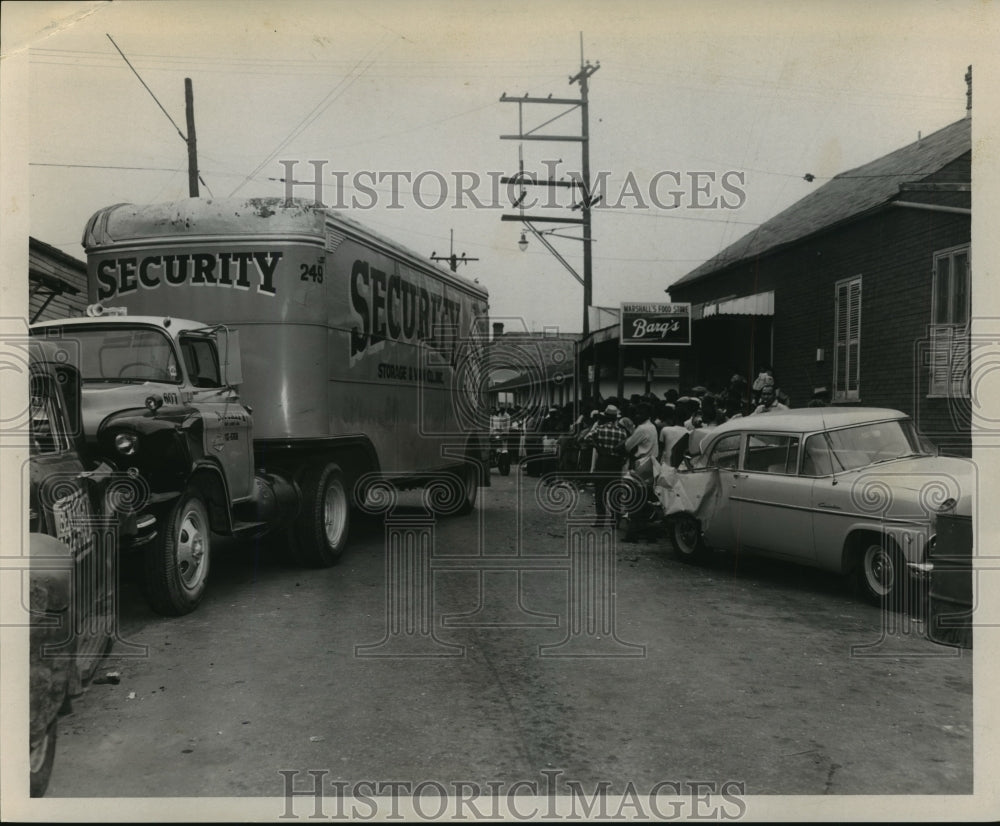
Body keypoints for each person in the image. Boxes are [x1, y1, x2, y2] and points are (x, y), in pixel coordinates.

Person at [582, 404, 629, 525]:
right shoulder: (622, 432)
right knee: (615, 492)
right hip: (616, 463)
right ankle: (615, 520)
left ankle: (600, 519)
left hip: (603, 461)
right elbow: (626, 447)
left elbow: (586, 439)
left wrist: (598, 446)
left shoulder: (600, 429)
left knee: (600, 492)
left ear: (606, 417)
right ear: (615, 418)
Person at [624, 402, 657, 468]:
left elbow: (627, 446)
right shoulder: (652, 426)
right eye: (637, 413)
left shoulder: (642, 428)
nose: (637, 416)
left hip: (641, 462)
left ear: (647, 414)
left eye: (640, 414)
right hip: (651, 462)